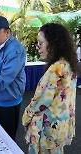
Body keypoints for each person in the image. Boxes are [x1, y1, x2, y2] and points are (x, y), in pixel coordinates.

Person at [22, 23, 79, 153]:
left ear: (53, 44)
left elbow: (41, 101)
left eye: (40, 43)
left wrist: (26, 117)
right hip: (61, 128)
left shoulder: (56, 69)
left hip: (46, 132)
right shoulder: (68, 65)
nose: (38, 48)